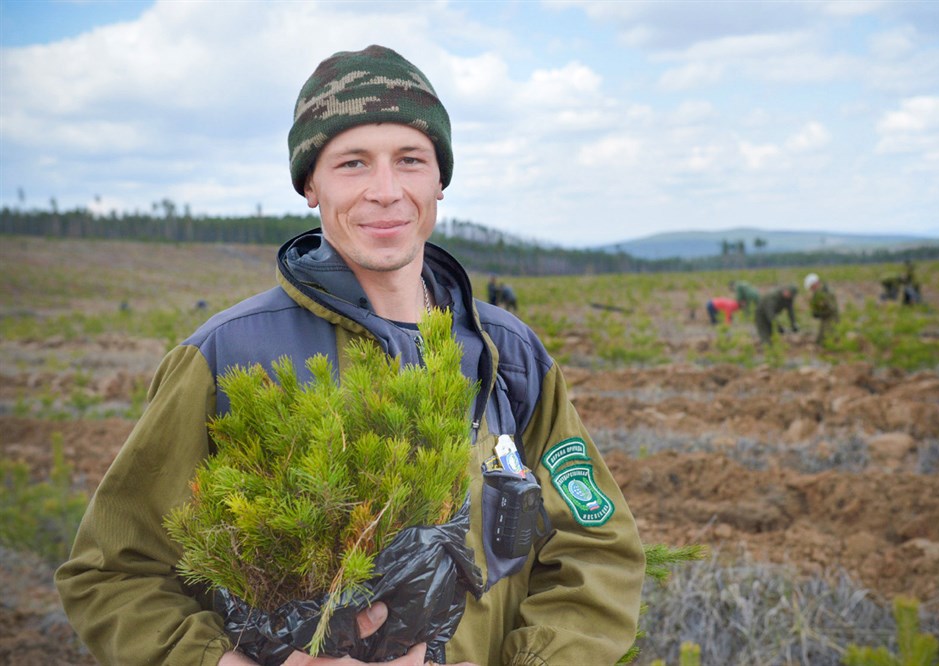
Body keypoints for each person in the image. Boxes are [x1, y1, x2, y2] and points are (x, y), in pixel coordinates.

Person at [55, 45, 645, 666]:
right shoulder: (229, 357)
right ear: (311, 183)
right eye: (353, 163)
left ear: (439, 178)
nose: (385, 191)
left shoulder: (508, 356)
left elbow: (595, 549)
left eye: (410, 160)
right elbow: (112, 574)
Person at [804, 273, 839, 345]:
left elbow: (831, 309)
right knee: (820, 339)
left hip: (831, 318)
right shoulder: (818, 293)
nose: (812, 290)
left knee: (830, 337)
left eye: (812, 287)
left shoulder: (826, 291)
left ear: (815, 283)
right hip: (825, 317)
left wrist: (820, 312)